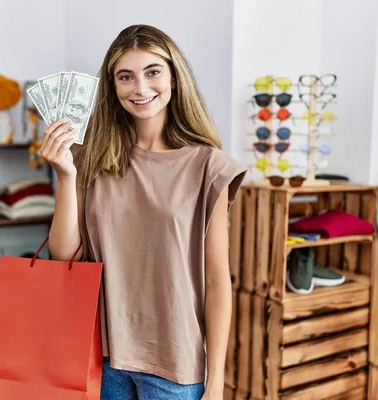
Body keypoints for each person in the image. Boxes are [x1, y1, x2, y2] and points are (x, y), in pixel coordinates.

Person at [40, 24, 247, 400]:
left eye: (152, 72)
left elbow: (217, 281)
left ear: (174, 76)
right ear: (112, 86)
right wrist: (65, 177)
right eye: (125, 77)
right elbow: (64, 255)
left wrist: (216, 381)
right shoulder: (92, 160)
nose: (140, 88)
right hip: (101, 358)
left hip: (174, 365)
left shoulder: (209, 167)